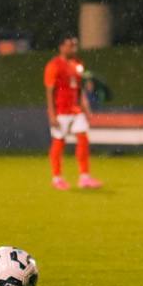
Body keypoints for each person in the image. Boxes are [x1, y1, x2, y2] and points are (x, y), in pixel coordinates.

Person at [45, 35, 100, 189]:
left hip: (75, 110)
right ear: (61, 47)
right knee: (59, 142)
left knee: (83, 138)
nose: (73, 48)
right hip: (61, 111)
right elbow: (50, 91)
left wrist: (86, 107)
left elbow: (79, 87)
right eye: (70, 45)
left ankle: (84, 177)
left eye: (74, 45)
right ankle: (56, 178)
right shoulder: (54, 65)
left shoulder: (78, 63)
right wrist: (51, 114)